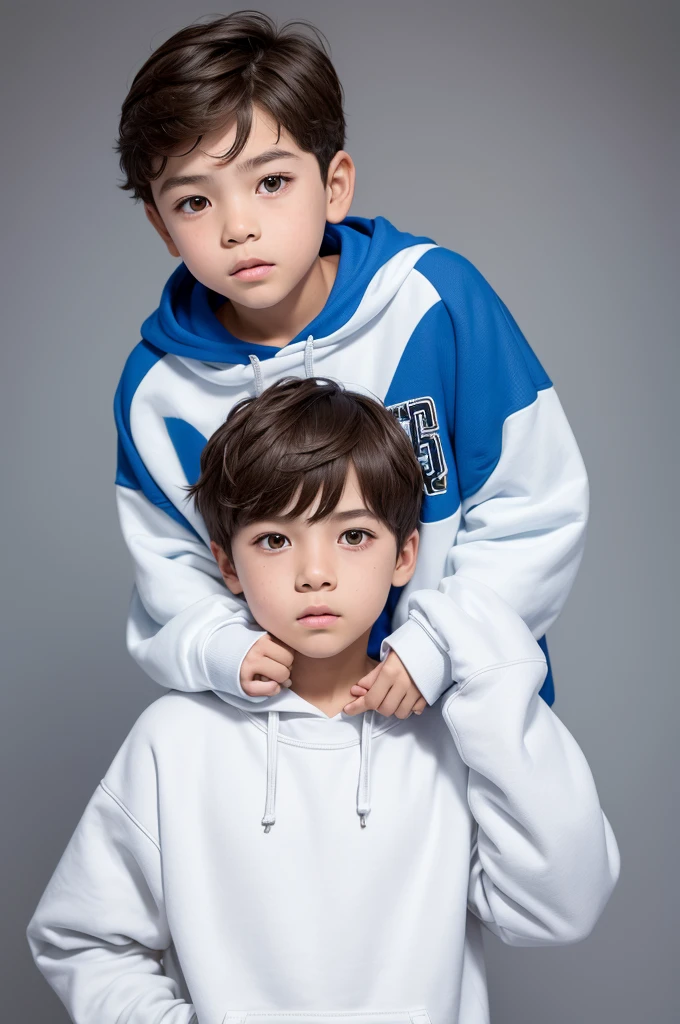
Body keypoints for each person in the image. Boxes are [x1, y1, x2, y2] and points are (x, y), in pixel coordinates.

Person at [27, 378, 619, 1024]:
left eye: (354, 536)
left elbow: (561, 909)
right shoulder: (173, 740)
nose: (316, 572)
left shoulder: (456, 734)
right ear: (229, 567)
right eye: (275, 541)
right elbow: (81, 938)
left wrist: (487, 673)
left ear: (406, 554)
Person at [113, 11, 589, 717]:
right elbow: (173, 564)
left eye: (270, 182)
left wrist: (439, 648)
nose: (236, 225)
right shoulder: (158, 391)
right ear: (160, 224)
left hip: (466, 721)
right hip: (288, 743)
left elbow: (535, 506)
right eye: (193, 201)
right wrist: (221, 648)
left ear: (334, 184)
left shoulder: (434, 301)